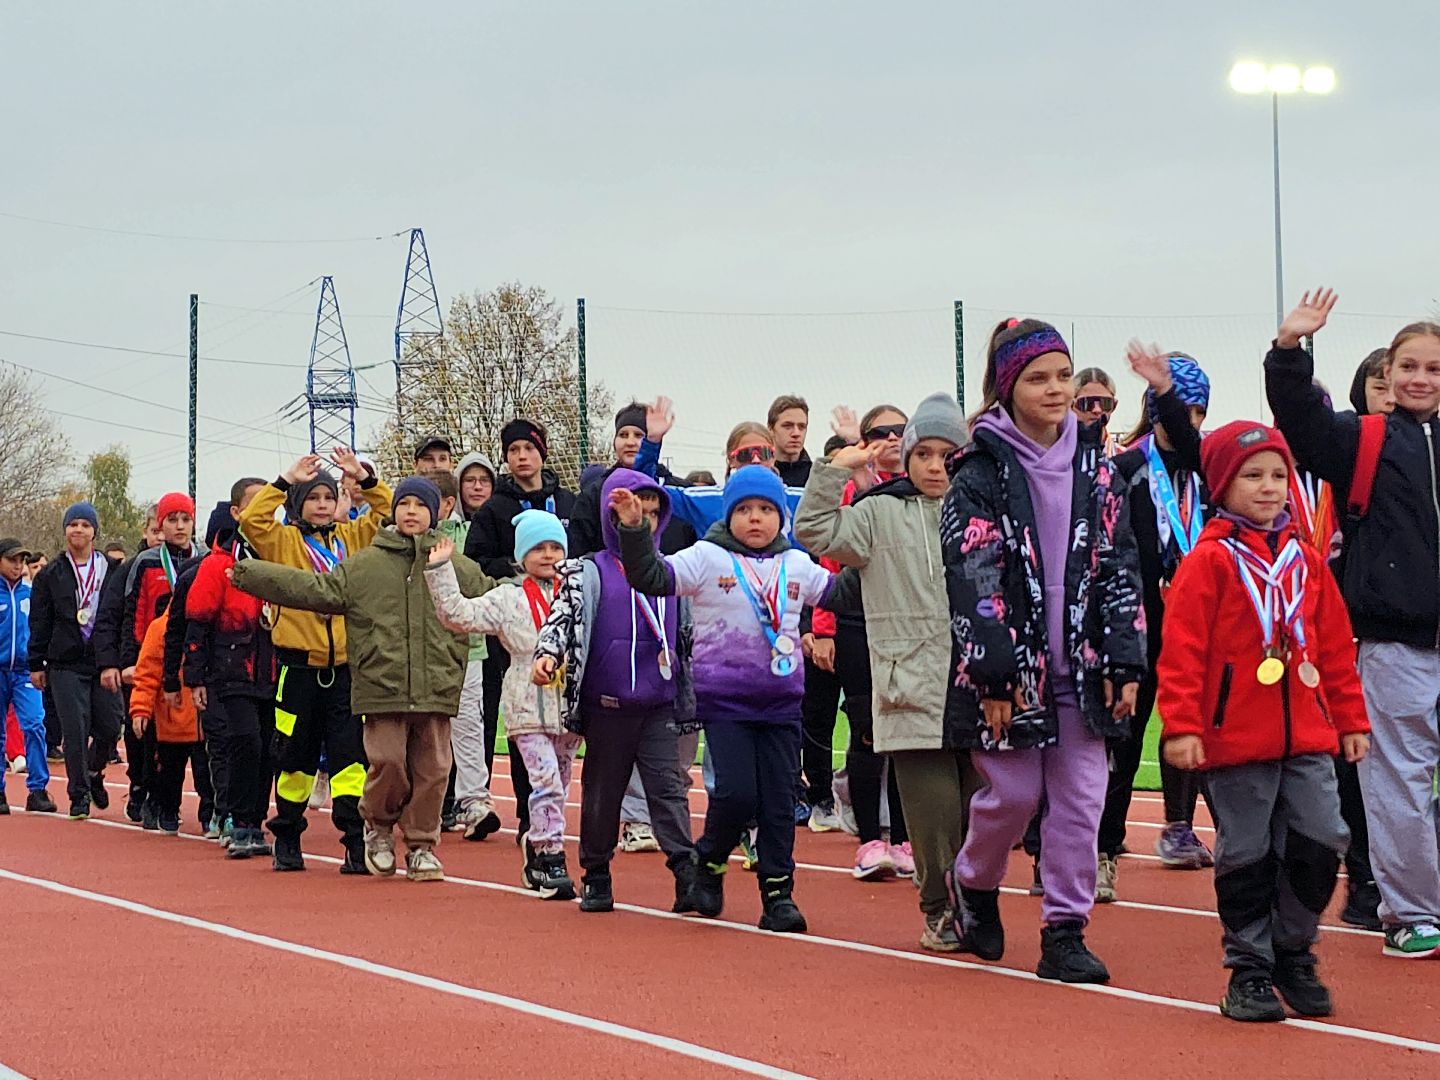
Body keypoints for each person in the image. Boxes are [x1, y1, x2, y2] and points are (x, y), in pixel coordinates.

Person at [941, 318, 1144, 983]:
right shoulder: (978, 471)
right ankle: (972, 881)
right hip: (1010, 674)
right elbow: (972, 574)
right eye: (1038, 378)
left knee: (1083, 799)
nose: (1056, 389)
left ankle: (1064, 930)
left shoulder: (1098, 468)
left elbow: (1120, 561)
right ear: (1007, 387)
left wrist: (1124, 656)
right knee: (1014, 797)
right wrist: (995, 675)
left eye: (1063, 374)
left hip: (1081, 672)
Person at [1158, 419, 1369, 1021]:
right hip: (1235, 740)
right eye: (1253, 476)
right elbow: (1183, 651)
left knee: (1323, 838)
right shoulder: (1208, 562)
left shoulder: (1306, 560)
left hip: (1307, 732)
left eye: (1278, 475)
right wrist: (1183, 725)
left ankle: (1293, 950)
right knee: (1246, 854)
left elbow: (1332, 646)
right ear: (1222, 486)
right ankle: (1247, 969)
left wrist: (1349, 718)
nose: (1269, 487)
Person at [1265, 289, 1440, 958]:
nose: (1420, 379)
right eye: (1409, 366)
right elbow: (1300, 421)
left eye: (1434, 368)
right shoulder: (1361, 440)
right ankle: (1413, 912)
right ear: (1389, 374)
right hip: (1396, 644)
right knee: (1396, 784)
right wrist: (1289, 352)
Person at [235, 476, 502, 883]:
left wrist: (541, 580)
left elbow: (494, 596)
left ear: (437, 512)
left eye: (420, 505)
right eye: (404, 504)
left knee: (433, 771)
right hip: (382, 685)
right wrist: (250, 574)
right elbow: (315, 588)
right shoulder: (366, 563)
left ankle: (421, 846)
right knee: (387, 763)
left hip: (436, 686)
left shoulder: (455, 564)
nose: (411, 512)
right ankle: (377, 829)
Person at [615, 466, 847, 933]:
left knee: (780, 800)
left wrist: (875, 552)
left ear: (782, 517)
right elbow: (650, 576)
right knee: (738, 793)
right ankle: (711, 860)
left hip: (782, 704)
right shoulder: (707, 558)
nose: (755, 519)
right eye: (744, 510)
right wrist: (635, 531)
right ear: (728, 515)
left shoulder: (798, 564)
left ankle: (778, 893)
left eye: (765, 510)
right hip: (725, 704)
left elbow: (846, 593)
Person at [796, 391, 973, 951]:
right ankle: (938, 908)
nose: (936, 466)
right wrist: (833, 470)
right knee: (933, 816)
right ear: (909, 457)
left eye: (949, 454)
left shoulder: (981, 510)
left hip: (976, 683)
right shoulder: (878, 511)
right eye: (925, 453)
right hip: (906, 684)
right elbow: (814, 532)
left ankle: (975, 901)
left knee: (980, 812)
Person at [531, 469, 698, 913]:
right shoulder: (586, 572)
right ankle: (597, 874)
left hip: (660, 702)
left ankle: (686, 872)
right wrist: (547, 654)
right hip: (607, 705)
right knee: (604, 794)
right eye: (631, 508)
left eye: (652, 508)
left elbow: (688, 632)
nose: (643, 515)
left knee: (669, 791)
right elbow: (559, 621)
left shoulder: (673, 571)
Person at [236, 449, 393, 874]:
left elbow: (389, 513)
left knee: (350, 762)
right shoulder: (284, 542)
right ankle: (287, 835)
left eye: (328, 497)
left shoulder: (353, 539)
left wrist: (364, 478)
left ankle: (354, 842)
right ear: (298, 504)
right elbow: (251, 522)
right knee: (294, 758)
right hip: (298, 669)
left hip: (345, 669)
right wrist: (284, 480)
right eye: (312, 498)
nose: (322, 505)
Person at [1098, 346, 1214, 896]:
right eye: (1181, 407)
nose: (1190, 421)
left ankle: (1180, 827)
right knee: (1123, 735)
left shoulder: (1210, 473)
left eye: (1199, 411)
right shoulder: (1124, 470)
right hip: (1135, 622)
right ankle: (1101, 850)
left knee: (1192, 726)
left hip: (1193, 623)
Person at [431, 510, 581, 899]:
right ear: (521, 556)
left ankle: (535, 843)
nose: (548, 555)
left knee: (560, 785)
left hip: (569, 708)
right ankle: (551, 856)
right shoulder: (508, 597)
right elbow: (458, 616)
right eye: (538, 548)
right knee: (545, 780)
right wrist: (441, 572)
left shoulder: (578, 595)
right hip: (526, 706)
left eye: (555, 547)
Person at [810, 403, 913, 880]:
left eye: (900, 431)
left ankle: (909, 840)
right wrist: (824, 628)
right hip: (856, 625)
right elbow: (830, 565)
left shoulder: (928, 488)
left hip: (909, 628)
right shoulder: (853, 493)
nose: (892, 439)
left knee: (911, 735)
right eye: (880, 433)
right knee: (867, 731)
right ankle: (871, 841)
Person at [463, 418, 578, 837]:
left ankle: (553, 813)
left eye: (528, 449)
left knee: (565, 724)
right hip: (517, 623)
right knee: (521, 719)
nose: (521, 458)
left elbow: (581, 553)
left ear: (541, 453)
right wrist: (515, 570)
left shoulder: (566, 502)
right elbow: (477, 558)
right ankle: (531, 816)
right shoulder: (495, 507)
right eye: (512, 451)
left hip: (564, 621)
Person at [97, 490, 204, 829]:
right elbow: (131, 613)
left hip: (190, 658)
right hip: (150, 657)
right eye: (172, 520)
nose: (179, 526)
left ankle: (193, 805)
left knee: (190, 741)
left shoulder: (202, 559)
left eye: (185, 519)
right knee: (146, 733)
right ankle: (144, 788)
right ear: (160, 525)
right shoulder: (144, 563)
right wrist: (127, 660)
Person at [182, 477, 276, 859]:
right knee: (246, 741)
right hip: (232, 668)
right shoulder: (219, 565)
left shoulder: (279, 556)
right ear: (237, 513)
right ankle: (238, 820)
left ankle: (256, 821)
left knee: (270, 748)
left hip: (273, 669)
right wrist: (195, 676)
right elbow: (197, 623)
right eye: (255, 504)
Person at [28, 502, 126, 819]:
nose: (78, 530)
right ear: (66, 530)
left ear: (94, 531)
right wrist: (36, 662)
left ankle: (95, 771)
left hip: (103, 660)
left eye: (85, 524)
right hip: (65, 662)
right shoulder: (51, 574)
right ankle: (79, 795)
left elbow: (119, 615)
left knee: (111, 726)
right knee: (75, 728)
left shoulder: (112, 570)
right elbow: (40, 621)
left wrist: (120, 657)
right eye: (73, 525)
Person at [429, 469, 501, 841]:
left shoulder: (466, 536)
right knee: (425, 731)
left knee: (469, 727)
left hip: (467, 647)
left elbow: (479, 580)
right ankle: (422, 804)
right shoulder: (401, 540)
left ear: (446, 504)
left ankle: (475, 802)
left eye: (427, 502)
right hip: (421, 649)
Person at [129, 595, 203, 835]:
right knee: (170, 772)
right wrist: (141, 708)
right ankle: (167, 809)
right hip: (172, 716)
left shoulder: (210, 624)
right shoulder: (160, 628)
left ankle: (212, 813)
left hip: (204, 719)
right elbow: (147, 672)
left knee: (209, 774)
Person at [0, 538, 56, 814]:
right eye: (12, 560)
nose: (18, 566)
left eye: (21, 560)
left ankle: (38, 789)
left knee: (34, 724)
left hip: (24, 670)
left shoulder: (31, 593)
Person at [1072, 367, 1122, 457]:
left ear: (1114, 406)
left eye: (1105, 403)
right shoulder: (1053, 455)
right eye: (1086, 403)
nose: (1097, 410)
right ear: (1070, 405)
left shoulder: (1125, 458)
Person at [768, 395, 813, 487]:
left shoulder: (816, 477)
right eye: (787, 426)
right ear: (771, 429)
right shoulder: (760, 474)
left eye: (801, 427)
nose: (796, 433)